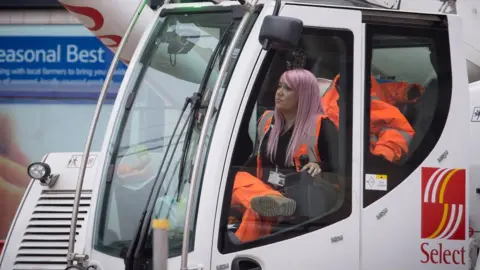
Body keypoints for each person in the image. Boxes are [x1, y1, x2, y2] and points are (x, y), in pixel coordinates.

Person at [230, 68, 339, 243]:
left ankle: (241, 243)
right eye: (279, 86)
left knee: (257, 209)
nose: (279, 93)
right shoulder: (266, 120)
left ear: (304, 95)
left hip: (302, 199)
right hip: (268, 191)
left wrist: (320, 166)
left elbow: (342, 168)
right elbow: (255, 160)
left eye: (288, 89)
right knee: (237, 177)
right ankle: (271, 201)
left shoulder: (322, 125)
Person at [322, 74, 415, 163]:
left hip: (353, 160)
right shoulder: (333, 102)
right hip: (336, 156)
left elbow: (400, 132)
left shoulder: (369, 100)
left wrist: (382, 154)